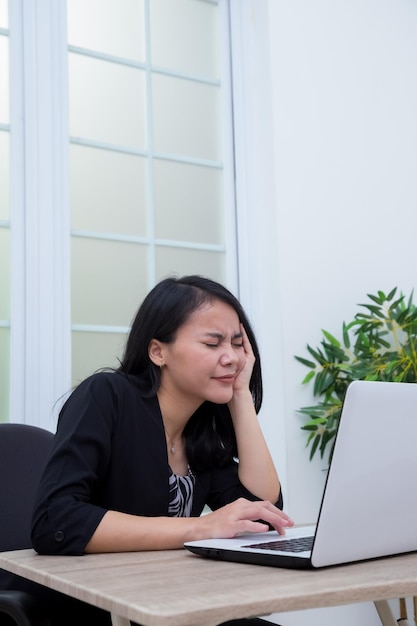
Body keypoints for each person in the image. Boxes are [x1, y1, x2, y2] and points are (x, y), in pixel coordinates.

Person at [30, 275, 293, 625]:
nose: (232, 358)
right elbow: (55, 520)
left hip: (166, 603)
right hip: (90, 608)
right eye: (213, 344)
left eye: (236, 344)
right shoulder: (106, 396)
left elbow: (262, 515)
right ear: (158, 351)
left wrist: (241, 397)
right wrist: (197, 528)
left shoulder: (201, 429)